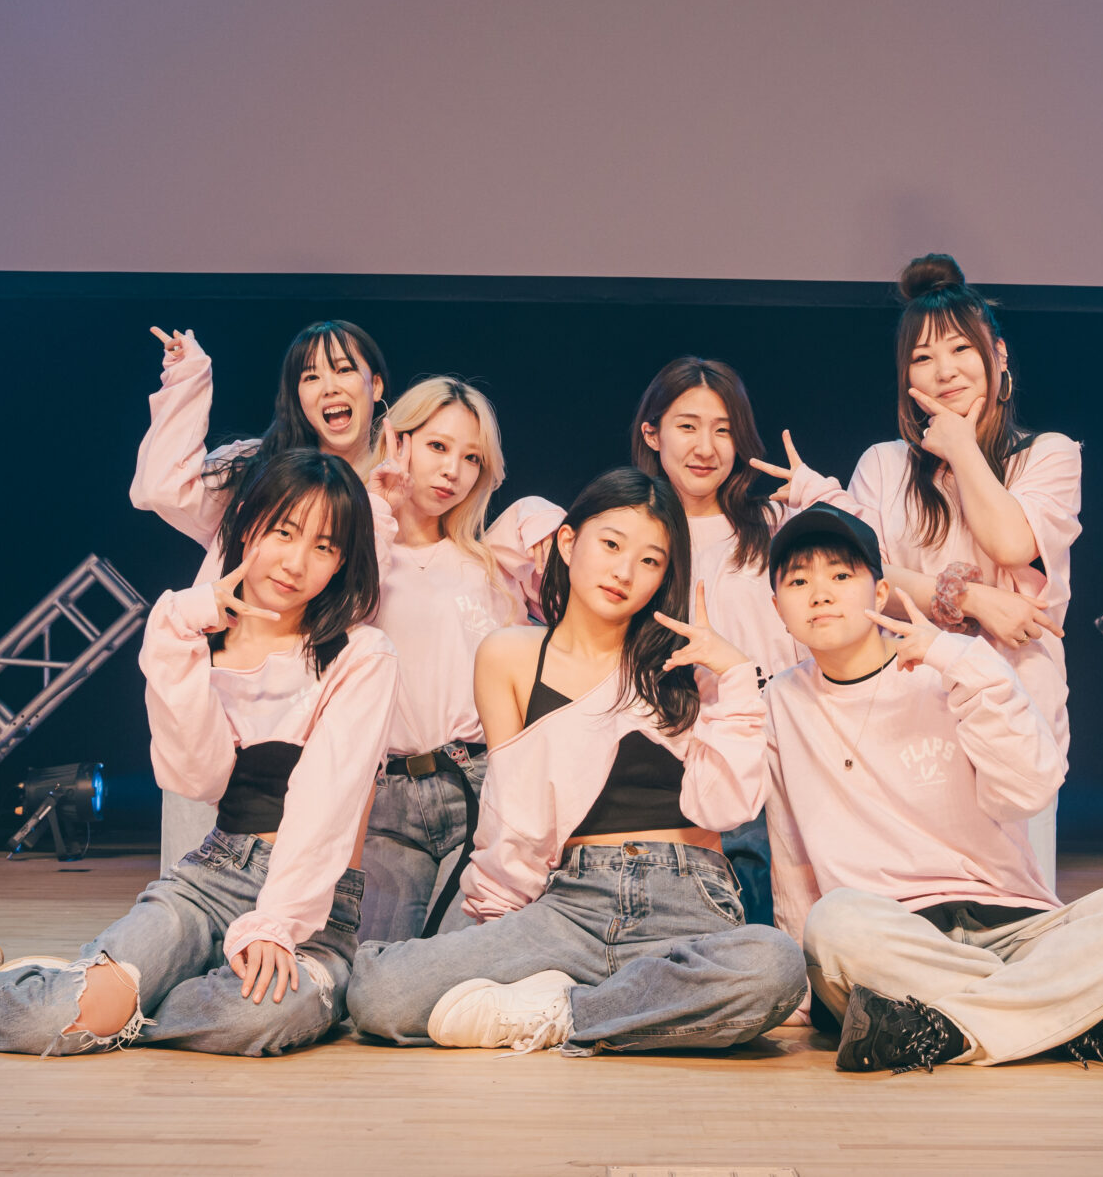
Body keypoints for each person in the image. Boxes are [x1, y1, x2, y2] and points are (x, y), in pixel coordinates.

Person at [0, 450, 395, 1057]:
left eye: (324, 547)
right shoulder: (193, 644)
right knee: (70, 1019)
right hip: (210, 880)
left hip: (313, 912)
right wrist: (181, 629)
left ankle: (81, 991)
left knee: (251, 1020)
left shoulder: (361, 656)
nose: (296, 562)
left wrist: (275, 923)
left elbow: (326, 803)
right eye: (284, 532)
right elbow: (194, 776)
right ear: (249, 525)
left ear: (343, 562)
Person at [345, 468, 808, 1054]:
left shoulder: (689, 666)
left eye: (650, 560)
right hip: (568, 905)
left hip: (686, 901)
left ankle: (563, 1012)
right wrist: (497, 924)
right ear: (568, 542)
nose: (624, 572)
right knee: (380, 992)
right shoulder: (510, 655)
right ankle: (627, 1009)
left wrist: (737, 674)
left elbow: (727, 808)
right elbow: (513, 812)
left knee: (775, 966)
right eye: (611, 544)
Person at [759, 503, 1103, 1073]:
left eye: (840, 575)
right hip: (894, 935)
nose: (820, 594)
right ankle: (1076, 1017)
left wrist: (954, 659)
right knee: (834, 924)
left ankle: (940, 1031)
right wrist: (804, 989)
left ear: (880, 590)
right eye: (798, 582)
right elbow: (790, 853)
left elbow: (1029, 790)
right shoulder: (780, 700)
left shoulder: (955, 666)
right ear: (777, 608)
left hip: (1015, 925)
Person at [845, 253, 1081, 871]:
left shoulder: (1050, 455)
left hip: (1016, 715)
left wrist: (960, 446)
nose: (944, 371)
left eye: (960, 350)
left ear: (998, 356)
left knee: (1019, 898)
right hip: (907, 713)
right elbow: (860, 581)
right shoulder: (883, 465)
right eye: (923, 357)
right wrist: (971, 598)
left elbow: (1010, 543)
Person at [135, 318, 389, 868]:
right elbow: (160, 488)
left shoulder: (395, 487)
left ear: (376, 385)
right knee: (192, 877)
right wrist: (187, 379)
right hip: (218, 695)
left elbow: (369, 603)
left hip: (310, 711)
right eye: (310, 376)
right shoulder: (259, 469)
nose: (328, 387)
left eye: (344, 370)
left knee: (299, 889)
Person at [628, 355, 843, 929]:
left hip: (784, 737)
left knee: (794, 907)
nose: (706, 447)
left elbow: (868, 562)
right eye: (688, 426)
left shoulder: (773, 524)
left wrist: (818, 495)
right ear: (652, 433)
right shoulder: (635, 533)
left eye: (723, 430)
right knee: (710, 912)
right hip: (684, 747)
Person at [356, 375, 560, 943]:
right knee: (370, 966)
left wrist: (540, 514)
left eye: (472, 458)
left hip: (479, 784)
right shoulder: (359, 549)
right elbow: (347, 607)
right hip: (385, 797)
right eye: (438, 446)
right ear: (398, 441)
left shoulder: (491, 564)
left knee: (457, 962)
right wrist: (378, 507)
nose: (453, 471)